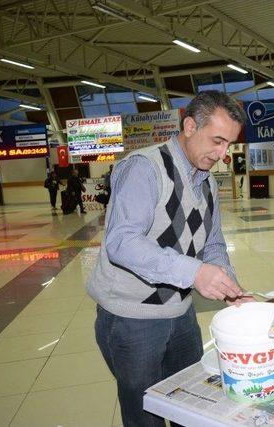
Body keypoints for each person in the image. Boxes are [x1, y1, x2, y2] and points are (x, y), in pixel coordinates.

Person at [87, 91, 251, 427]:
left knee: (190, 406)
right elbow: (121, 242)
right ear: (190, 126)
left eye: (228, 145)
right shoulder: (145, 168)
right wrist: (194, 273)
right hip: (133, 319)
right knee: (145, 415)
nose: (222, 155)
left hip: (180, 315)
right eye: (217, 141)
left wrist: (228, 283)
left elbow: (214, 242)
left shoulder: (206, 183)